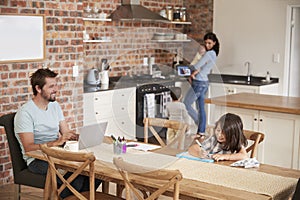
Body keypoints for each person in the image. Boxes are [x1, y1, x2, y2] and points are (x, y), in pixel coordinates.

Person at [14, 68, 101, 198]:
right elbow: (28, 148)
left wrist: (78, 137)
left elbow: (65, 132)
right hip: (38, 160)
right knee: (76, 179)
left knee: (96, 173)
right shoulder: (25, 113)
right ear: (38, 89)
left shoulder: (55, 106)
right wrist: (56, 142)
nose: (56, 89)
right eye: (51, 86)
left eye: (56, 85)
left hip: (57, 153)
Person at [184, 32, 220, 139]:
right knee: (201, 108)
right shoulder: (213, 54)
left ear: (214, 43)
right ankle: (201, 132)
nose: (207, 45)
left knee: (186, 104)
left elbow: (197, 66)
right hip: (203, 82)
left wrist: (186, 69)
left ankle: (200, 124)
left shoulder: (209, 54)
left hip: (199, 83)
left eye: (209, 43)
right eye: (206, 43)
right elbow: (201, 68)